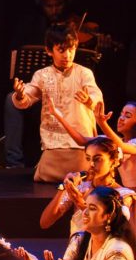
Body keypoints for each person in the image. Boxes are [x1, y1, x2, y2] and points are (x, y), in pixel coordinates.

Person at [35, 137, 131, 260]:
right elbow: (45, 222)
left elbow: (117, 229)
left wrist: (81, 204)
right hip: (80, 256)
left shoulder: (121, 195)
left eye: (98, 159)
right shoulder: (81, 188)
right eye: (88, 159)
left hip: (106, 257)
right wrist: (63, 188)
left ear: (114, 161)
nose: (92, 165)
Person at [0, 0, 79, 169]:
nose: (55, 9)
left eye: (59, 5)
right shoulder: (31, 26)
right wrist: (20, 95)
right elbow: (31, 90)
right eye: (49, 6)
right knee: (11, 100)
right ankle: (14, 163)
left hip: (69, 97)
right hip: (43, 93)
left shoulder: (73, 29)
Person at [10, 26, 103, 183]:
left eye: (71, 50)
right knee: (44, 176)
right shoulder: (42, 75)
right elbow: (27, 96)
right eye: (61, 50)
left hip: (80, 146)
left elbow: (96, 95)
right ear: (49, 50)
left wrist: (89, 100)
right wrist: (20, 94)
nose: (67, 55)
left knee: (83, 176)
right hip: (53, 147)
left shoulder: (84, 73)